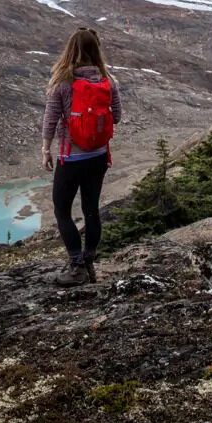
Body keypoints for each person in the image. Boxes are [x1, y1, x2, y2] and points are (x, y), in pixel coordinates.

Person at [42, 26, 121, 286]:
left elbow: (50, 120)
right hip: (98, 157)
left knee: (62, 210)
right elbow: (117, 117)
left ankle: (76, 268)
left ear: (70, 49)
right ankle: (89, 262)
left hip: (71, 159)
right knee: (91, 210)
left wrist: (46, 149)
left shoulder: (62, 82)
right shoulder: (108, 80)